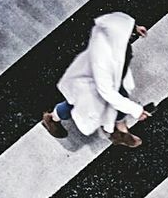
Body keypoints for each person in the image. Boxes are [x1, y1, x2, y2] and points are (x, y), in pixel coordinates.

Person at [41, 13, 152, 149]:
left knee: (82, 102)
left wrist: (134, 27)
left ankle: (118, 129)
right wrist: (136, 110)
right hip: (94, 84)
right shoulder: (103, 60)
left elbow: (113, 22)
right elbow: (107, 93)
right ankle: (118, 130)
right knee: (91, 103)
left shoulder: (111, 39)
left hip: (102, 78)